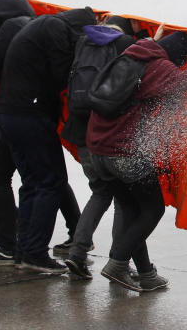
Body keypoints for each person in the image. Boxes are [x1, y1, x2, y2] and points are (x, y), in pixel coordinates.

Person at [87, 31, 187, 291]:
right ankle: (117, 264)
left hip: (99, 151)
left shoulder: (127, 57)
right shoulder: (157, 65)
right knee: (153, 209)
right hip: (124, 154)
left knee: (133, 211)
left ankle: (146, 274)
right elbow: (186, 81)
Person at [0, 4, 96, 274]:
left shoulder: (43, 25)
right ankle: (35, 254)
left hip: (12, 113)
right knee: (52, 183)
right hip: (30, 114)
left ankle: (24, 251)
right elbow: (62, 73)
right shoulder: (55, 28)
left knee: (33, 183)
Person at [61, 14, 137, 278]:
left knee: (100, 192)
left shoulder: (83, 40)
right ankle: (120, 261)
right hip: (107, 134)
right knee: (122, 200)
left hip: (81, 132)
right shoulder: (125, 42)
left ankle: (77, 255)